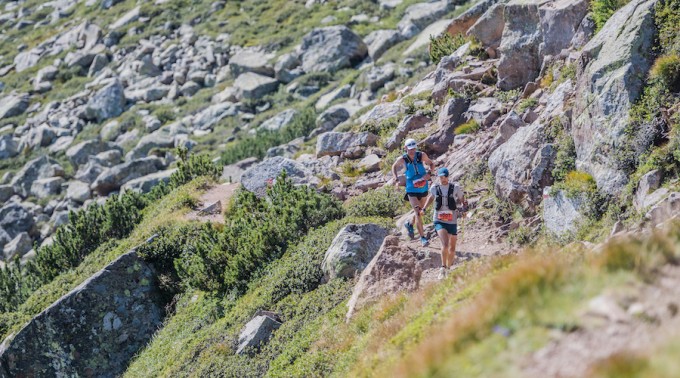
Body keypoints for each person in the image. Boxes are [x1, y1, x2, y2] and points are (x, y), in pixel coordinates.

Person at [422, 167, 467, 280]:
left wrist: (464, 206)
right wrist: (424, 209)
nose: (442, 179)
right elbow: (430, 198)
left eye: (443, 177)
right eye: (440, 177)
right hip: (439, 219)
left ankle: (448, 269)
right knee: (445, 244)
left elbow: (462, 198)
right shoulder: (434, 188)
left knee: (452, 248)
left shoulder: (455, 187)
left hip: (452, 220)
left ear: (447, 176)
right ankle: (442, 268)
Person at [391, 138, 435, 247]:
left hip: (423, 187)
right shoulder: (403, 159)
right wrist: (396, 179)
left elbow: (431, 164)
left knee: (421, 210)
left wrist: (429, 173)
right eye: (410, 149)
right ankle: (422, 238)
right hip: (411, 188)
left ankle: (409, 224)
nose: (412, 151)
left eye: (413, 149)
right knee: (418, 211)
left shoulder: (421, 155)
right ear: (405, 148)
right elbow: (394, 166)